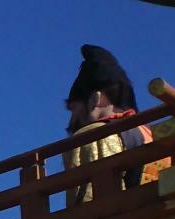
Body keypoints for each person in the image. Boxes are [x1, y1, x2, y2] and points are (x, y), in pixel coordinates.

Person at [63, 45, 157, 205]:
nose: (71, 120)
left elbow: (86, 206)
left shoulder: (93, 135)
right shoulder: (149, 133)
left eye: (74, 109)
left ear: (95, 99)